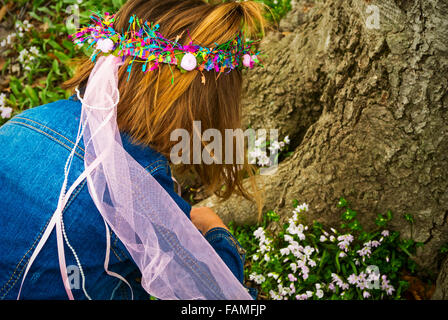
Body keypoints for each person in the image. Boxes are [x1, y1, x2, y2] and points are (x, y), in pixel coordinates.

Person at [0, 0, 265, 300]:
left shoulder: (28, 121)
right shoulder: (138, 181)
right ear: (203, 108)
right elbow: (215, 294)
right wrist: (217, 232)